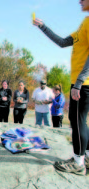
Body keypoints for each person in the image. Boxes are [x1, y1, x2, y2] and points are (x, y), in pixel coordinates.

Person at [33, 2, 89, 175]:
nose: (79, 1)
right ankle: (86, 157)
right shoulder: (85, 23)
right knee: (80, 121)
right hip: (81, 82)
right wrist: (43, 27)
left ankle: (78, 163)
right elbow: (63, 42)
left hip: (83, 83)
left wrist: (79, 82)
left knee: (78, 122)